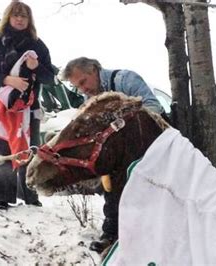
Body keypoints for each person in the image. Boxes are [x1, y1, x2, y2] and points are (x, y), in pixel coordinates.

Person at [62, 57, 166, 254]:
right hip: (120, 154)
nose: (83, 89)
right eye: (78, 87)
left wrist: (122, 128)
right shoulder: (91, 98)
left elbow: (153, 108)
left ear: (94, 69)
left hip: (150, 148)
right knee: (110, 183)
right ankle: (111, 234)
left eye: (83, 82)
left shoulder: (125, 80)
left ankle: (147, 237)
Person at [0, 1, 54, 210]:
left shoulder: (38, 45)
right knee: (2, 148)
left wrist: (36, 67)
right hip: (0, 104)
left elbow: (49, 78)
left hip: (29, 107)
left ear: (29, 20)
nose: (19, 19)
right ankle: (2, 197)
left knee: (30, 149)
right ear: (8, 18)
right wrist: (7, 80)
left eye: (24, 16)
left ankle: (29, 195)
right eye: (15, 15)